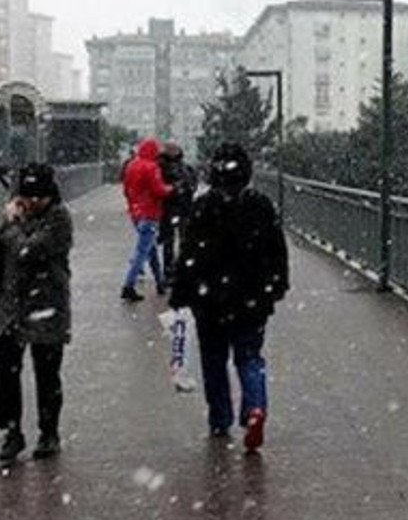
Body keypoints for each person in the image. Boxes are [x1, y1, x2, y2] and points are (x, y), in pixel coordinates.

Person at [169, 142, 289, 450]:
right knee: (250, 357)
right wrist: (276, 286)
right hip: (252, 298)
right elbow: (277, 250)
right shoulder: (261, 205)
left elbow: (188, 255)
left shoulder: (202, 207)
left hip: (210, 302)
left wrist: (181, 292)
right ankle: (255, 406)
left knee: (214, 360)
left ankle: (219, 420)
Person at [0, 163, 74, 463]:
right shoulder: (14, 219)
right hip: (11, 309)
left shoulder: (59, 219)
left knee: (47, 374)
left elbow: (28, 251)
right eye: (26, 195)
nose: (31, 202)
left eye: (37, 197)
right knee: (7, 375)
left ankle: (49, 432)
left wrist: (13, 226)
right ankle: (11, 432)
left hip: (47, 306)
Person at [120, 138, 173, 301]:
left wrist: (133, 206)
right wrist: (172, 188)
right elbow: (159, 191)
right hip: (150, 213)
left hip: (136, 213)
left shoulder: (131, 165)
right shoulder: (152, 167)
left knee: (150, 249)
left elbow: (126, 190)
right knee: (142, 251)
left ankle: (160, 282)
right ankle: (128, 285)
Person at [157, 141, 197, 284]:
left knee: (184, 240)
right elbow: (159, 188)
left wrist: (187, 188)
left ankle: (181, 269)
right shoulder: (161, 166)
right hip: (169, 209)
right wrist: (176, 188)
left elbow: (192, 183)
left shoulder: (185, 167)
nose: (174, 151)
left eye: (175, 149)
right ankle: (169, 271)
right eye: (170, 149)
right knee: (169, 241)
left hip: (184, 208)